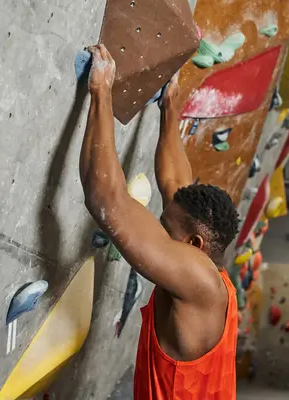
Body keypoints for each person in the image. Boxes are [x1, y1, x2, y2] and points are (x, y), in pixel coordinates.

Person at [79, 44, 240, 400]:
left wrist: (101, 92)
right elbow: (175, 187)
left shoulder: (200, 282)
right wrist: (171, 107)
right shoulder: (204, 270)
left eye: (167, 232)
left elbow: (106, 200)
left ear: (195, 244)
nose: (157, 231)